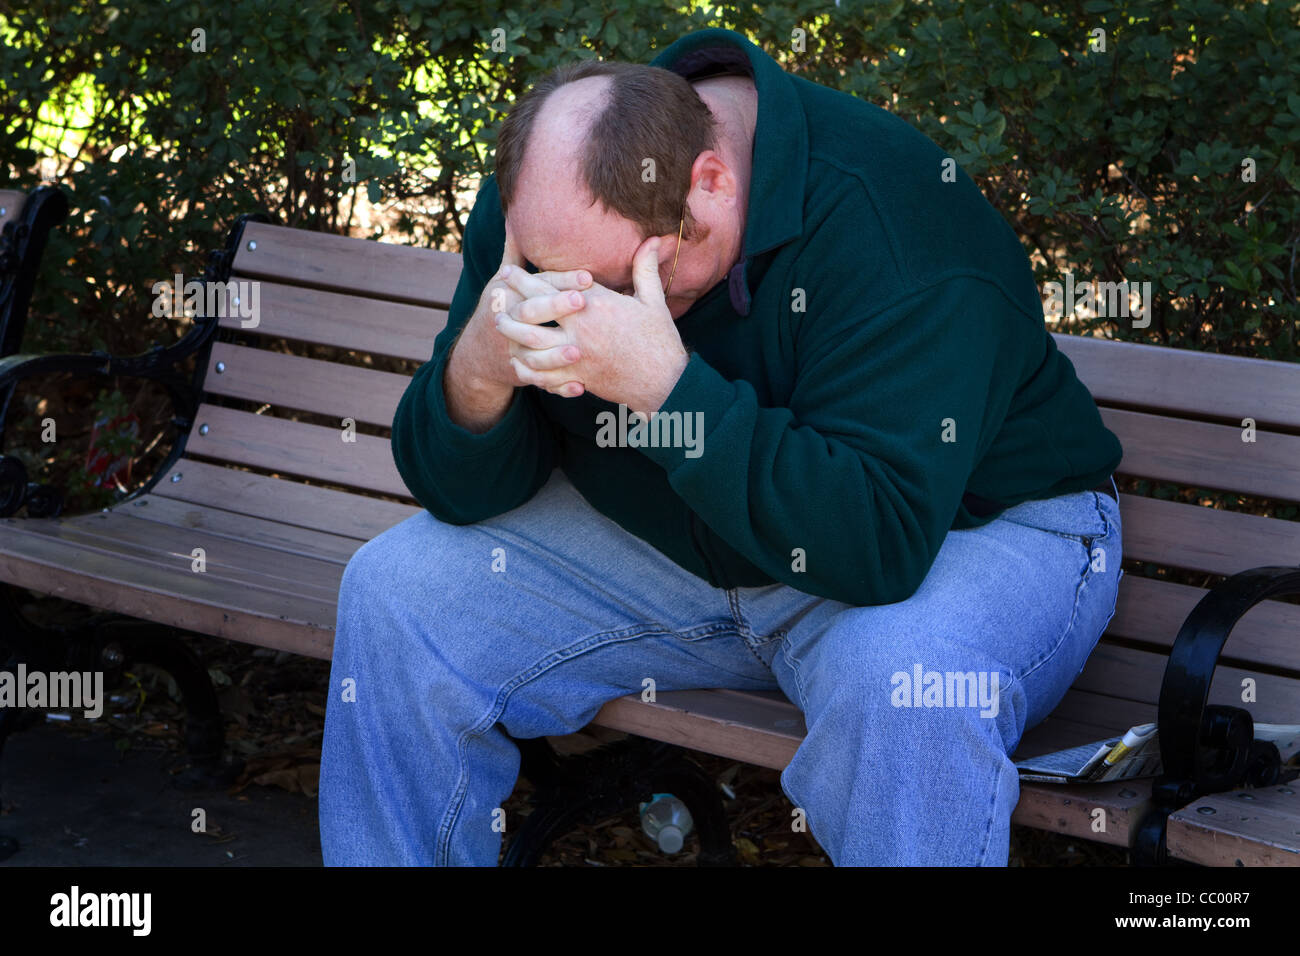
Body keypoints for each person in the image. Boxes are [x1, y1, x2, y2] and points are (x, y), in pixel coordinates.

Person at [319, 27, 1124, 866]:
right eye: (559, 289)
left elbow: (880, 543)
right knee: (397, 591)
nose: (580, 314)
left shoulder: (901, 225)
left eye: (630, 285)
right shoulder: (547, 209)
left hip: (966, 530)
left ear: (711, 184)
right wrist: (476, 375)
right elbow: (469, 491)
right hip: (682, 538)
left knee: (901, 687)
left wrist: (670, 393)